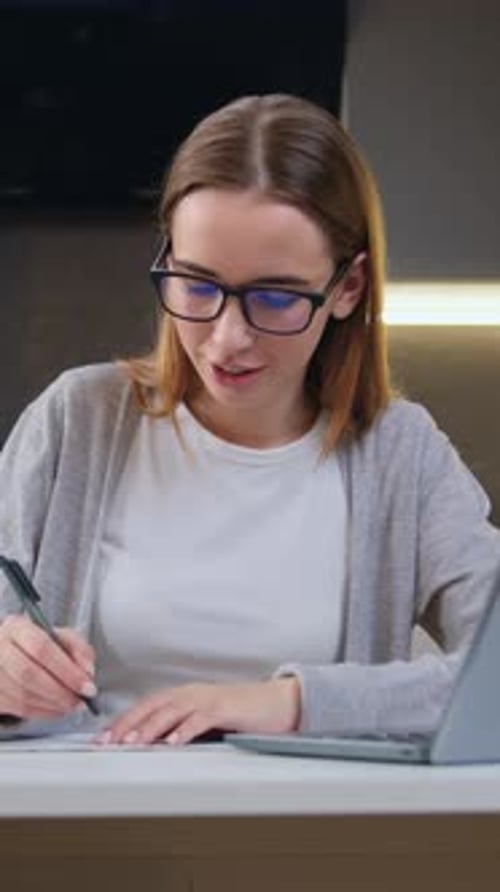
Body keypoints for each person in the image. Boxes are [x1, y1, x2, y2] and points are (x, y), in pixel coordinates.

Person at [0, 93, 499, 746]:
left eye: (274, 297)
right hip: (88, 831)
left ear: (347, 288)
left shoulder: (401, 455)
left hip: (314, 841)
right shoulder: (78, 421)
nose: (226, 339)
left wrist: (290, 703)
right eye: (198, 286)